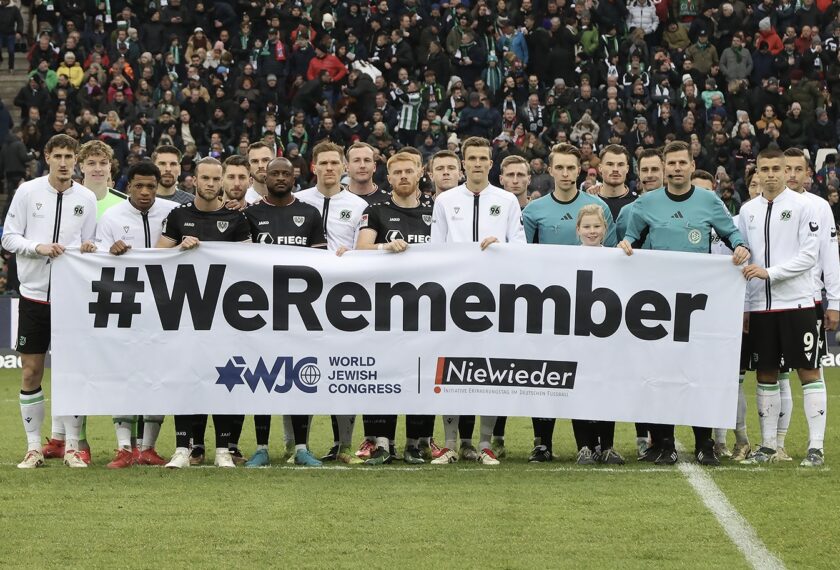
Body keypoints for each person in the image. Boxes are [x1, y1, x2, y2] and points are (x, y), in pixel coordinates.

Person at [620, 140, 750, 466]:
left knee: (697, 374)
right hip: (657, 306)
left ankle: (705, 444)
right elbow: (631, 239)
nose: (677, 168)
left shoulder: (709, 200)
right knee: (661, 373)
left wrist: (739, 248)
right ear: (664, 168)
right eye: (671, 164)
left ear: (692, 166)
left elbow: (733, 236)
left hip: (697, 304)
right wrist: (625, 246)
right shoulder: (646, 203)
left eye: (682, 163)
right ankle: (664, 443)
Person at [2, 134, 97, 469]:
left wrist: (90, 248)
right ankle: (33, 448)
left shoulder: (85, 197)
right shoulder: (28, 191)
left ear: (76, 160)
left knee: (71, 373)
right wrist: (38, 247)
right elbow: (8, 237)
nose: (63, 161)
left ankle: (72, 447)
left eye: (69, 156)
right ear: (46, 157)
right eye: (57, 155)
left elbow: (91, 242)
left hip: (71, 299)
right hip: (33, 296)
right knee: (31, 371)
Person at [430, 136, 526, 466]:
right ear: (463, 163)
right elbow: (434, 251)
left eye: (483, 158)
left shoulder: (507, 201)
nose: (477, 163)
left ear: (490, 163)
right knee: (450, 370)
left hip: (494, 299)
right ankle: (451, 444)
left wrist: (500, 245)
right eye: (471, 158)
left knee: (489, 369)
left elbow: (521, 246)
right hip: (454, 300)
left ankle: (485, 444)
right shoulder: (444, 201)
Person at [522, 143, 620, 465]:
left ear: (580, 170)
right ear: (550, 170)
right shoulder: (533, 211)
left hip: (593, 309)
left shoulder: (598, 208)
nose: (565, 173)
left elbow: (615, 254)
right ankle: (542, 444)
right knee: (547, 375)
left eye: (571, 168)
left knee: (597, 376)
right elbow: (519, 257)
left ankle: (601, 445)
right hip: (549, 308)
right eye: (559, 167)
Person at [339, 151, 435, 465]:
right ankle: (382, 442)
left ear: (420, 172)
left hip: (428, 308)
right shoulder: (376, 209)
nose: (404, 176)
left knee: (422, 374)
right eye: (398, 173)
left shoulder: (435, 210)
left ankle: (414, 444)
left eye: (410, 171)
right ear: (389, 177)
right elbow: (361, 248)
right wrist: (385, 247)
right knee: (385, 374)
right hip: (384, 308)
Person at [156, 157, 251, 469]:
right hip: (186, 312)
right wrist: (178, 249)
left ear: (222, 181)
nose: (210, 184)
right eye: (205, 178)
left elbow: (252, 267)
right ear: (193, 181)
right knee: (186, 378)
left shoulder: (237, 220)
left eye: (215, 179)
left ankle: (224, 449)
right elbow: (155, 260)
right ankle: (183, 447)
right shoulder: (178, 215)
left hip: (226, 315)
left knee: (224, 379)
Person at [739, 149, 827, 467]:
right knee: (765, 374)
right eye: (766, 169)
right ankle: (768, 445)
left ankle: (815, 446)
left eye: (777, 168)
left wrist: (770, 273)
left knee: (808, 370)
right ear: (757, 173)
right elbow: (743, 258)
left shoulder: (805, 206)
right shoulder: (747, 211)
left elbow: (810, 255)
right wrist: (747, 305)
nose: (772, 174)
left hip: (799, 302)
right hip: (762, 307)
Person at [241, 157, 327, 468]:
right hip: (260, 312)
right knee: (262, 377)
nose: (279, 177)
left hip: (300, 311)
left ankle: (302, 447)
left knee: (300, 378)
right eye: (274, 172)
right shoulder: (250, 214)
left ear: (294, 177)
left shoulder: (309, 213)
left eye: (285, 173)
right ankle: (261, 447)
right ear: (264, 176)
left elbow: (321, 263)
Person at [95, 161, 178, 468]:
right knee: (125, 375)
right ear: (127, 185)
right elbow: (92, 256)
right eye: (139, 186)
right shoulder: (111, 217)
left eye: (151, 186)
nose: (145, 192)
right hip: (125, 307)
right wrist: (107, 250)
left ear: (158, 187)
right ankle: (123, 448)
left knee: (159, 375)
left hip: (163, 306)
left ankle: (148, 448)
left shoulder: (172, 212)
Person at [296, 141, 367, 465]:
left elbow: (364, 248)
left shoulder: (357, 204)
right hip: (302, 299)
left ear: (343, 168)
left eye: (333, 163)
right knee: (300, 370)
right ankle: (298, 445)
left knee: (344, 372)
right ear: (314, 167)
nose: (328, 168)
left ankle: (345, 446)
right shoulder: (298, 201)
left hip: (344, 299)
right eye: (322, 163)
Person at [615, 147, 664, 455]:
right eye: (644, 170)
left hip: (674, 301)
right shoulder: (628, 212)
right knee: (640, 371)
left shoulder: (684, 206)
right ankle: (642, 438)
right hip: (637, 303)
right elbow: (617, 251)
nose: (649, 176)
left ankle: (665, 436)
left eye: (654, 170)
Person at [596, 144, 637, 221]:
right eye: (610, 164)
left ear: (627, 168)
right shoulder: (590, 201)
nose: (615, 169)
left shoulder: (637, 203)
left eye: (620, 164)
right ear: (600, 168)